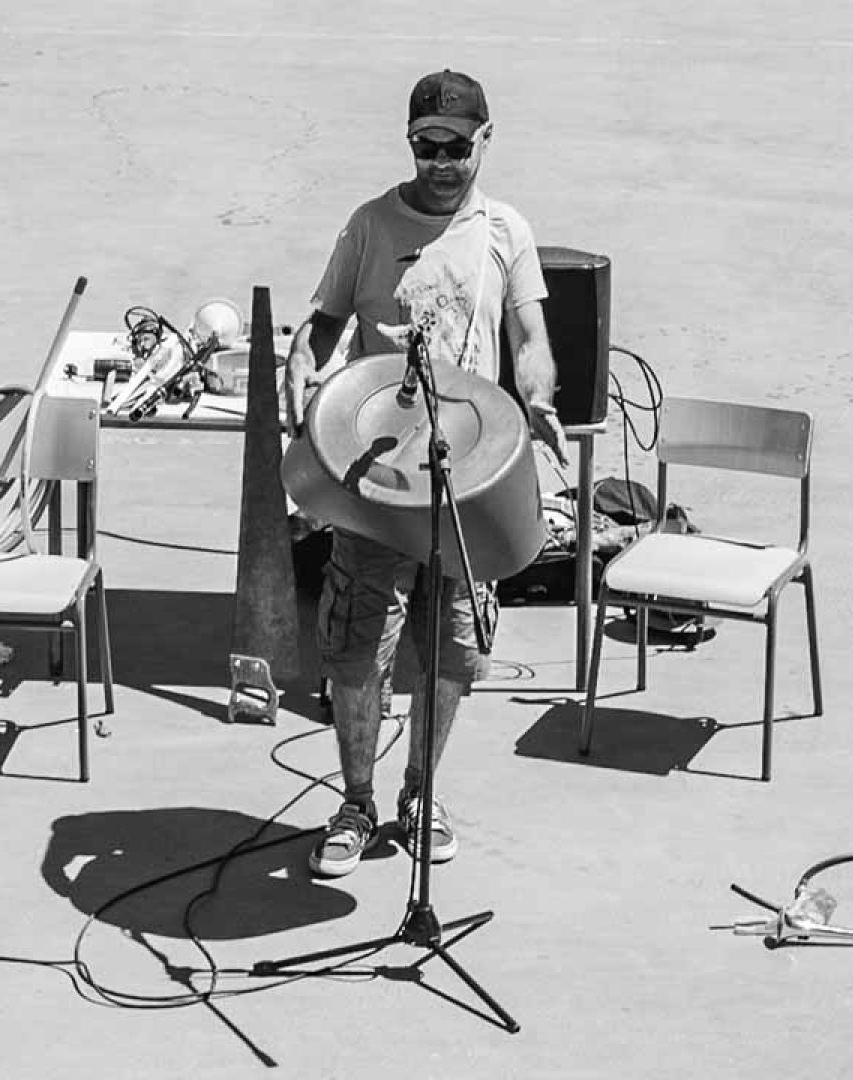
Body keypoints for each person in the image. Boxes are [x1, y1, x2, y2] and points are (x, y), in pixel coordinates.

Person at [284, 70, 568, 879]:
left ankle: (421, 793)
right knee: (353, 653)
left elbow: (530, 335)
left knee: (450, 654)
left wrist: (538, 394)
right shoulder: (372, 225)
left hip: (466, 482)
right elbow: (324, 322)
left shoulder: (505, 230)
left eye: (457, 147)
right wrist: (302, 368)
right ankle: (355, 800)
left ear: (486, 139)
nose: (442, 163)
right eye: (426, 147)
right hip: (378, 482)